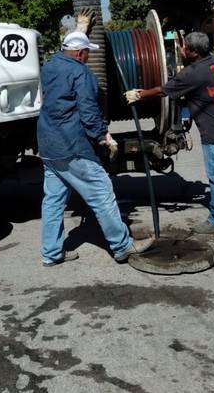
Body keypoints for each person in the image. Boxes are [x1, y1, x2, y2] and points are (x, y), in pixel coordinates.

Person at [38, 30, 154, 266]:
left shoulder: (49, 67)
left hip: (48, 145)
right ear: (80, 53)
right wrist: (102, 135)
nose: (89, 56)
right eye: (88, 52)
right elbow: (88, 110)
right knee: (101, 193)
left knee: (53, 201)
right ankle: (122, 246)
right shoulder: (81, 72)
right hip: (72, 145)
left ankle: (51, 253)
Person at [125, 31, 214, 234]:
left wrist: (139, 94)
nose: (181, 49)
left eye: (184, 47)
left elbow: (164, 90)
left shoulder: (193, 74)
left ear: (194, 52)